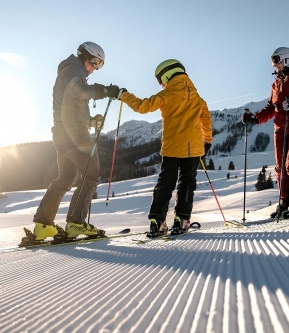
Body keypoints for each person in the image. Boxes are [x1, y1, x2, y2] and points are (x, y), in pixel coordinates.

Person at [32, 41, 121, 240]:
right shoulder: (74, 69)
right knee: (91, 173)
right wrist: (106, 91)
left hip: (63, 133)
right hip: (75, 135)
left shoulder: (69, 70)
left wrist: (90, 121)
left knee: (66, 177)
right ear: (85, 56)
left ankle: (43, 225)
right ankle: (76, 223)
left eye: (99, 65)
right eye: (95, 62)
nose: (95, 68)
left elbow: (71, 108)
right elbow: (79, 91)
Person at [118, 59, 212, 235]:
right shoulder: (198, 99)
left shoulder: (166, 95)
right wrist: (207, 141)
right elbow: (206, 121)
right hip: (193, 149)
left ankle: (157, 222)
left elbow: (141, 107)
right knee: (187, 183)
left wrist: (123, 95)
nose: (161, 84)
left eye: (161, 80)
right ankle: (182, 220)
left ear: (168, 75)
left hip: (172, 148)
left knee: (165, 183)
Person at [242, 47, 289, 219]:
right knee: (281, 167)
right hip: (281, 128)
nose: (274, 65)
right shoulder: (276, 83)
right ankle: (287, 201)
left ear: (288, 60)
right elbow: (271, 108)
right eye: (273, 61)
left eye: (276, 60)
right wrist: (255, 118)